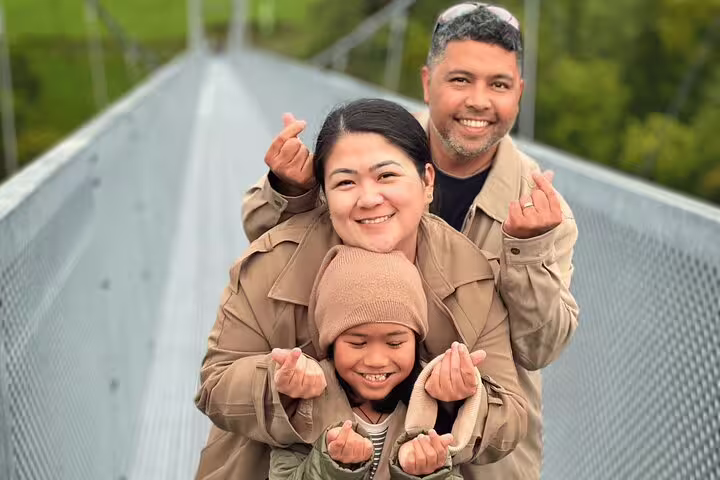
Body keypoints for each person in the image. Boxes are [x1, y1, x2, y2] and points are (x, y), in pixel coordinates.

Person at [241, 4, 580, 479]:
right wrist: (294, 192)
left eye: (499, 85)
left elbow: (540, 349)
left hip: (475, 450)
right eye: (460, 80)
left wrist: (525, 252)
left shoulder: (544, 209)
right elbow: (266, 242)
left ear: (519, 94)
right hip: (342, 435)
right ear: (427, 83)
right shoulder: (368, 144)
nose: (479, 101)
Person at [194, 98, 527, 480]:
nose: (369, 199)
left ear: (427, 182)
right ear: (324, 193)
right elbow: (214, 385)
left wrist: (460, 400)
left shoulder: (469, 272)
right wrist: (277, 385)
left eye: (386, 176)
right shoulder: (272, 264)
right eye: (346, 181)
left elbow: (510, 415)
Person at [270, 245, 489, 480]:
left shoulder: (432, 405)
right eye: (358, 343)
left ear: (416, 342)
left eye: (394, 344)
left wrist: (423, 473)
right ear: (331, 343)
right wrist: (334, 468)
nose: (376, 360)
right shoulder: (306, 407)